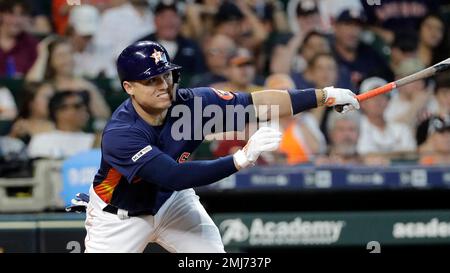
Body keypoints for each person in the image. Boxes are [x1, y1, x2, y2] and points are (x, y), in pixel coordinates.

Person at [67, 41, 359, 253]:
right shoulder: (122, 132)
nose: (163, 85)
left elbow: (257, 103)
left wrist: (323, 96)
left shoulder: (195, 103)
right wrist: (240, 159)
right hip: (118, 216)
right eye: (151, 80)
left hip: (171, 202)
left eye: (166, 75)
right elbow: (173, 175)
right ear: (129, 87)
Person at [27, 91, 94, 159]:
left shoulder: (96, 142)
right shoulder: (41, 140)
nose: (84, 109)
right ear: (58, 112)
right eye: (77, 106)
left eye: (84, 105)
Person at [0, 0, 38, 77]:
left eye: (22, 15)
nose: (16, 20)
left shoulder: (32, 44)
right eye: (11, 14)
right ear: (1, 15)